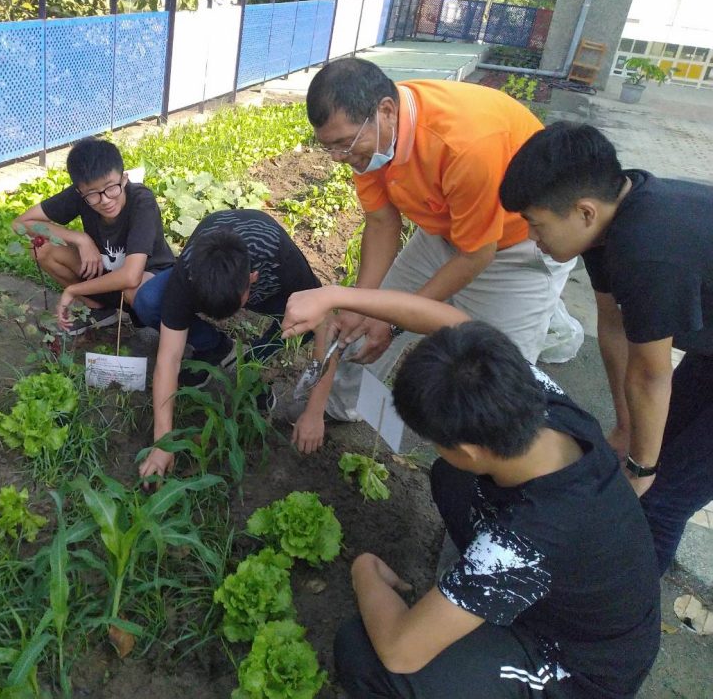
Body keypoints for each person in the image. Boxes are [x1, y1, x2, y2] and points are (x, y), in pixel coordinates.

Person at [281, 288, 660, 699]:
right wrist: (335, 295)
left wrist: (364, 572)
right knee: (452, 479)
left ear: (470, 450)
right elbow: (446, 320)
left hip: (578, 662)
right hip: (564, 579)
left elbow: (399, 651)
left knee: (364, 654)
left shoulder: (522, 540)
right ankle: (476, 608)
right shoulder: (526, 387)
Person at [300, 58, 578, 448]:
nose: (341, 157)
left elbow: (476, 255)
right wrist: (360, 305)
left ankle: (495, 470)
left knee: (500, 373)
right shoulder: (371, 141)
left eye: (345, 144)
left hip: (517, 247)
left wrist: (395, 322)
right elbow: (382, 223)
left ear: (386, 111)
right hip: (441, 231)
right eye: (330, 147)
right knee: (365, 321)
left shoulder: (465, 144)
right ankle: (340, 406)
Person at [500, 121, 713, 575]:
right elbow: (613, 325)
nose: (533, 238)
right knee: (654, 450)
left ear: (583, 211)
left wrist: (640, 468)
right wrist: (625, 425)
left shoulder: (647, 248)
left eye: (536, 225)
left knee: (663, 494)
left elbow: (650, 373)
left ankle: (621, 628)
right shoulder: (613, 213)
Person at [135, 209, 323, 480]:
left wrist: (315, 411)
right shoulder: (189, 273)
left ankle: (251, 361)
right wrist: (162, 444)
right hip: (221, 279)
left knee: (303, 328)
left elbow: (325, 324)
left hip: (276, 291)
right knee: (149, 301)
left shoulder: (281, 260)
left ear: (252, 280)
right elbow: (168, 360)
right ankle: (216, 348)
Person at [11, 138, 174, 334]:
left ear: (124, 178)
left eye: (111, 188)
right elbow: (20, 223)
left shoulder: (142, 201)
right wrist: (80, 239)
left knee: (136, 290)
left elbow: (131, 277)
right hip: (106, 278)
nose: (105, 200)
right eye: (93, 194)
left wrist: (73, 290)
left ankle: (203, 341)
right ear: (80, 192)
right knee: (42, 249)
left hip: (147, 283)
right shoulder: (82, 194)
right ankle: (99, 311)